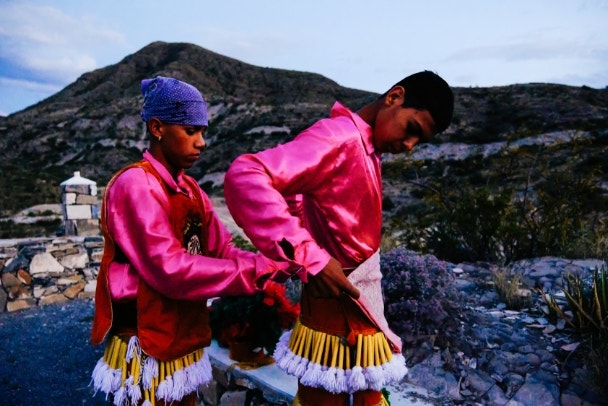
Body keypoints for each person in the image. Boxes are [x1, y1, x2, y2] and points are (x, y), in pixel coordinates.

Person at [223, 70, 454, 406]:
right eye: (412, 129)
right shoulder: (339, 138)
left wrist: (305, 239)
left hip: (357, 316)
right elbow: (246, 176)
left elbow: (297, 197)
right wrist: (307, 257)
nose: (409, 146)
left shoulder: (366, 148)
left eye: (419, 141)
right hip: (333, 323)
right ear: (394, 97)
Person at [90, 76, 285, 406]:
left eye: (203, 132)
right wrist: (257, 271)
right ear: (157, 128)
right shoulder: (136, 185)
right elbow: (170, 269)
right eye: (191, 130)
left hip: (181, 337)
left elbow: (222, 251)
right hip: (146, 341)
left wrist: (276, 263)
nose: (202, 142)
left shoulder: (192, 190)